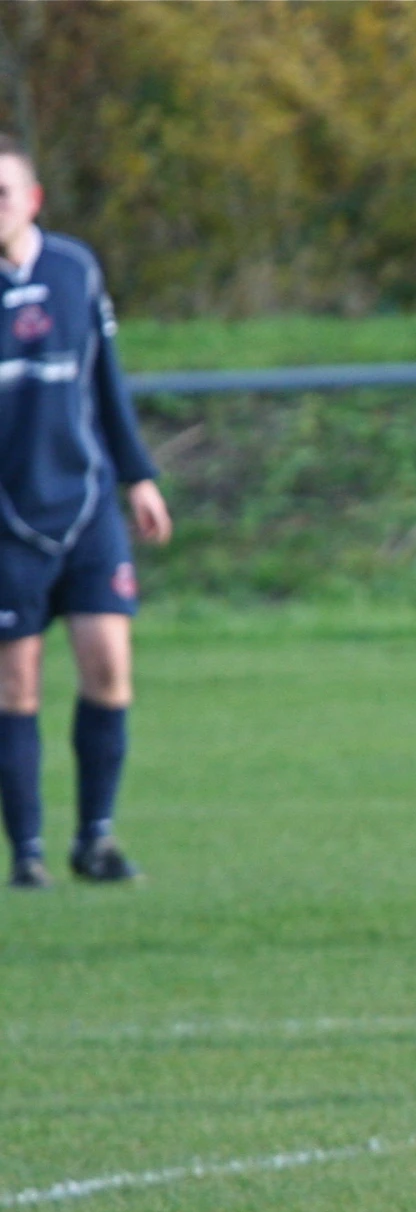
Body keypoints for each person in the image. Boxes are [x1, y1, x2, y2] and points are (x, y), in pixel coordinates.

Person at [0, 137, 171, 889]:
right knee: (18, 685)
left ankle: (95, 840)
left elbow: (108, 384)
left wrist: (138, 476)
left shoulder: (75, 270)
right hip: (8, 521)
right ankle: (28, 853)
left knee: (108, 666)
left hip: (88, 506)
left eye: (3, 192)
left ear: (33, 199)